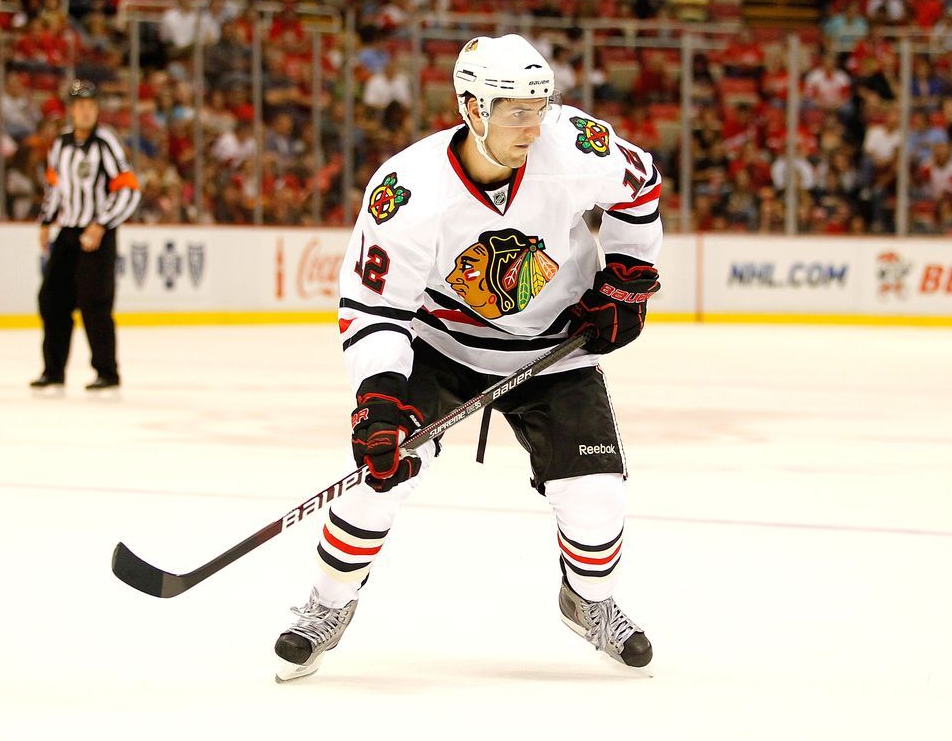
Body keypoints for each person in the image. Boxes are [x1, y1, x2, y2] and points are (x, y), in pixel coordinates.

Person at [273, 34, 662, 681]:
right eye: (515, 110)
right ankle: (326, 603)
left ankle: (587, 601)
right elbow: (375, 306)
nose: (534, 126)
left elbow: (639, 185)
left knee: (597, 506)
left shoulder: (572, 145)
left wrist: (626, 272)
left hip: (551, 348)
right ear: (472, 108)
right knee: (379, 477)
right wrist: (377, 396)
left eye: (541, 106)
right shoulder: (408, 189)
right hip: (440, 345)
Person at [31, 80, 141, 390]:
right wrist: (45, 221)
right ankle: (53, 370)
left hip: (97, 234)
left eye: (91, 105)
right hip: (68, 231)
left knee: (95, 303)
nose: (85, 111)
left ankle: (106, 371)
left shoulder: (106, 142)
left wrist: (102, 224)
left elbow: (129, 189)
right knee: (51, 299)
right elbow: (54, 187)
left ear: (97, 110)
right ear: (71, 110)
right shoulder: (61, 144)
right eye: (79, 105)